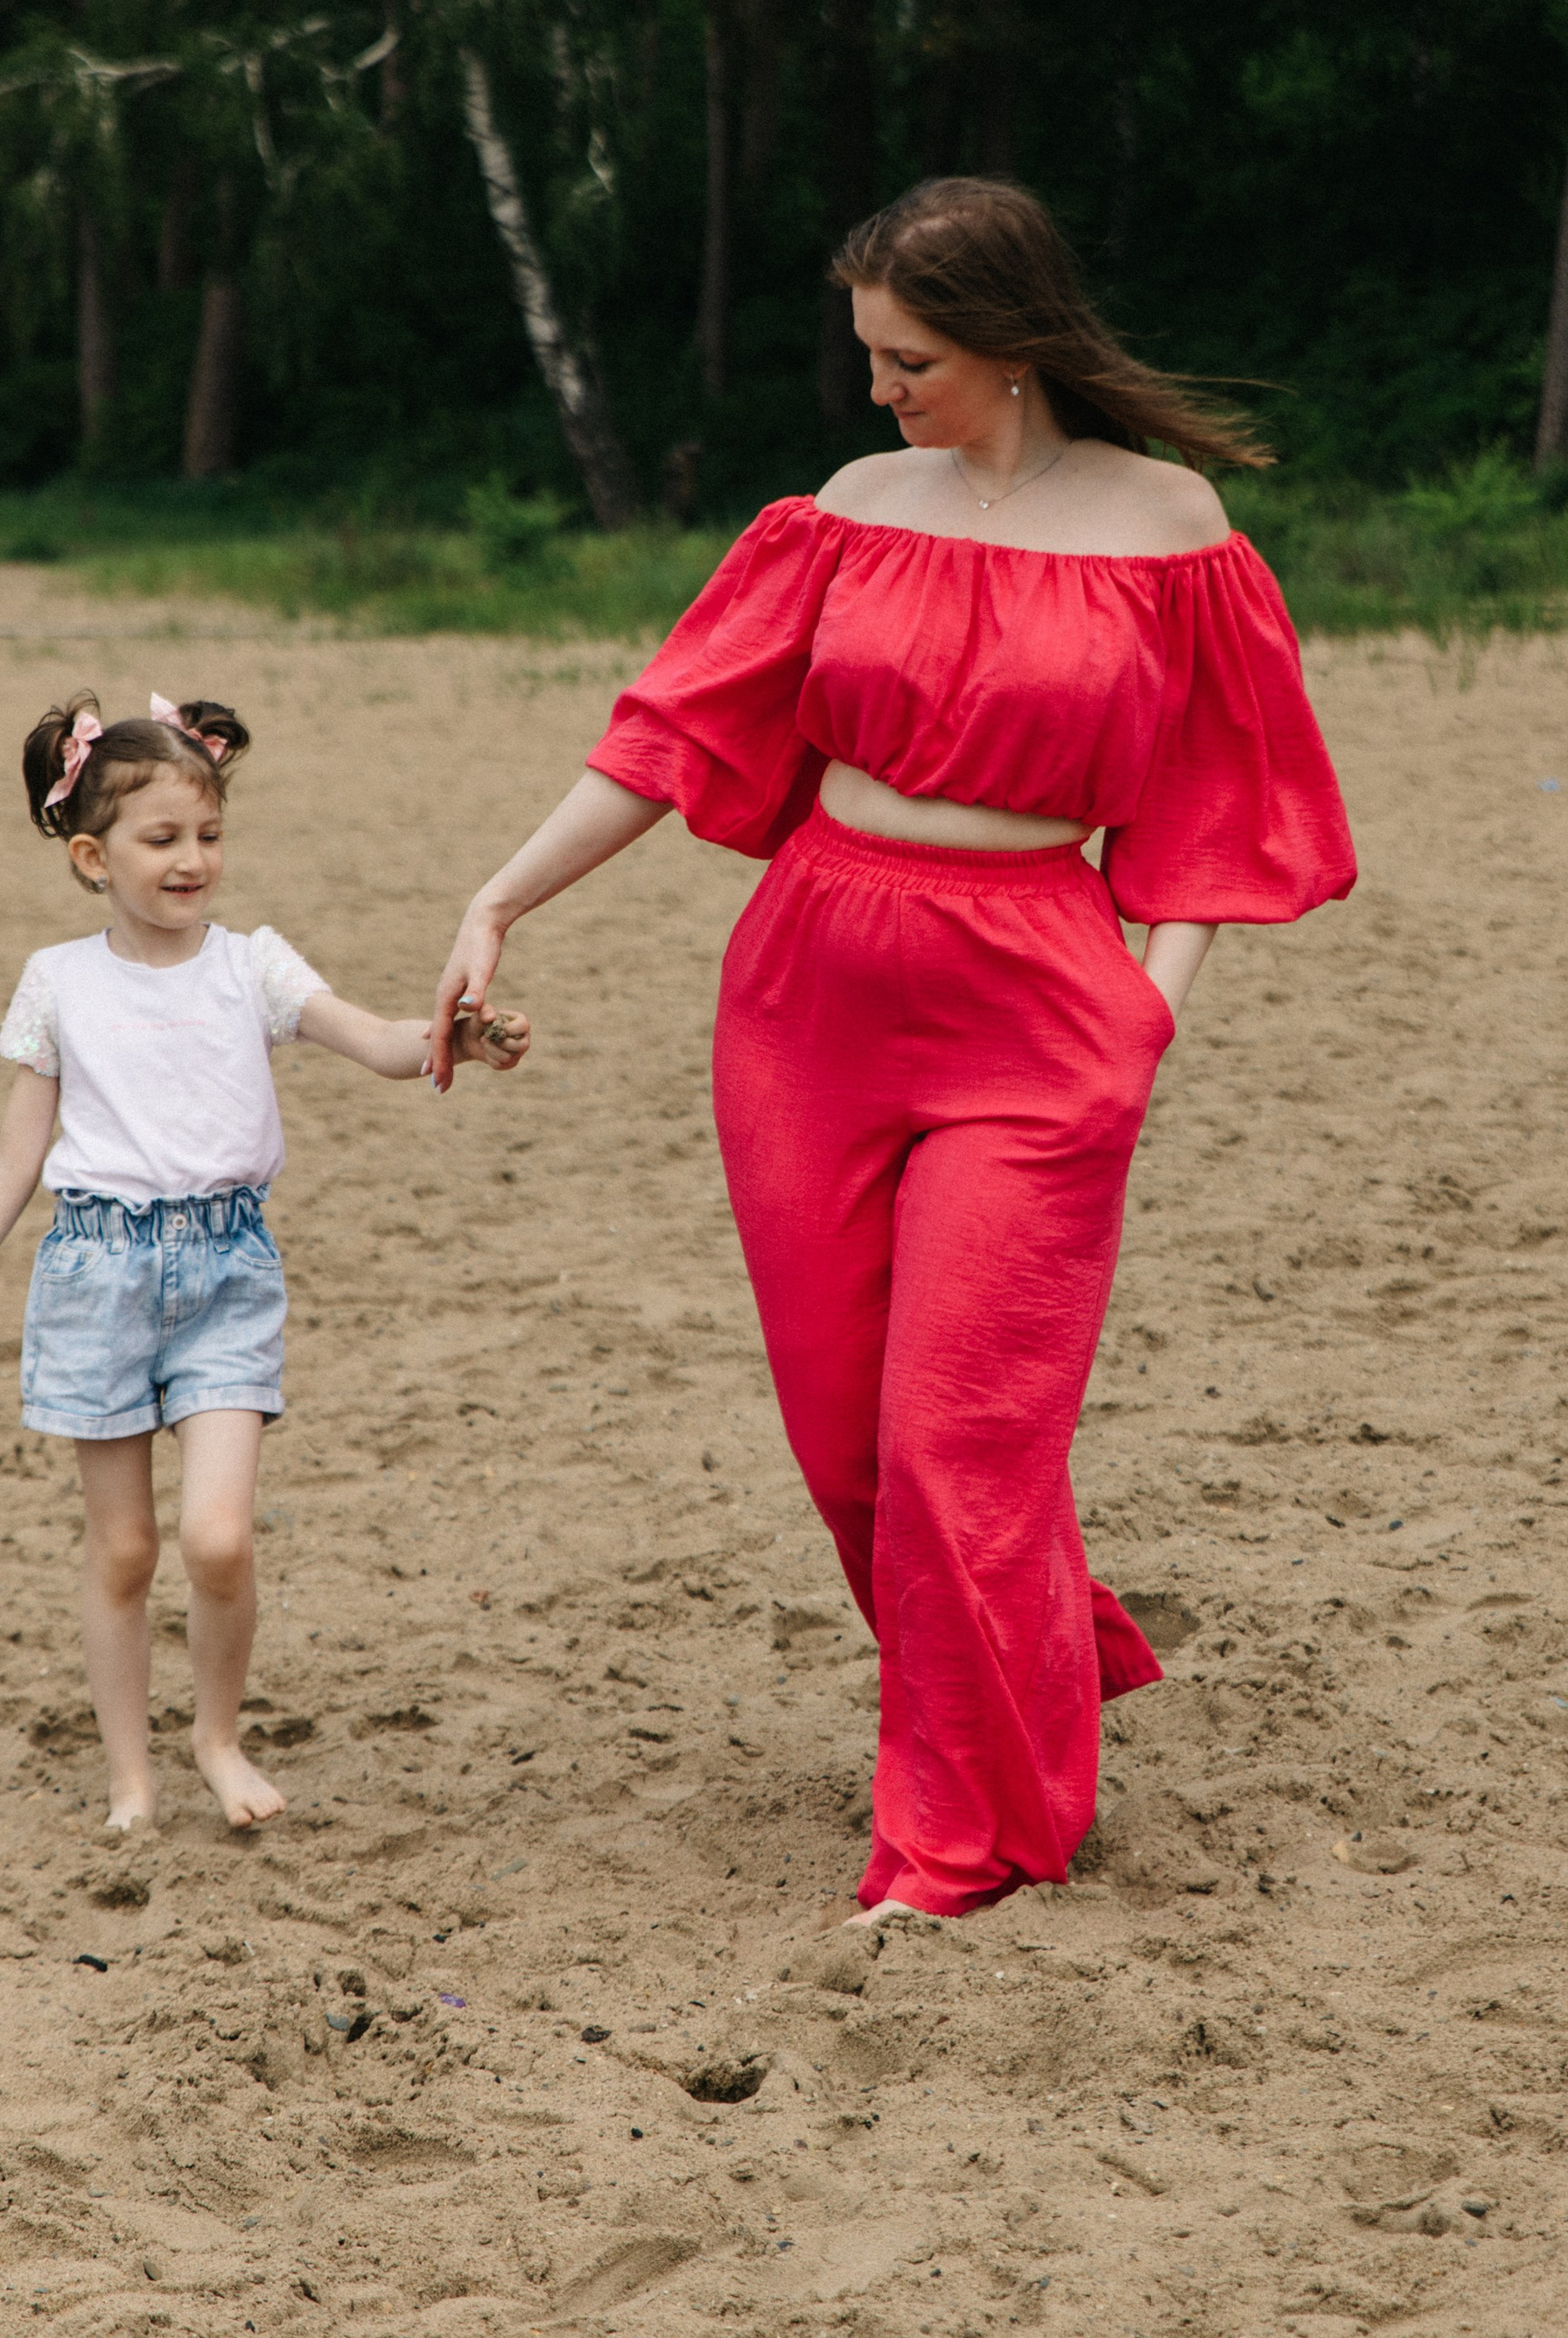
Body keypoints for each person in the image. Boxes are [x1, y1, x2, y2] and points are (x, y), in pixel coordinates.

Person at [430, 178, 1354, 1922]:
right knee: (852, 1448)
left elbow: (1219, 798)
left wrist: (1151, 1007)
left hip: (1043, 1006)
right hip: (811, 998)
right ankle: (1033, 1668)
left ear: (1011, 347)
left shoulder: (1172, 531)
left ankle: (964, 1837)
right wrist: (501, 897)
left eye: (907, 360)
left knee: (956, 1441)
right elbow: (671, 728)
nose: (876, 390)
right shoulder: (849, 510)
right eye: (866, 355)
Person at [0, 690, 529, 1836]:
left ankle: (217, 1737)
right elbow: (12, 1162)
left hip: (227, 1271)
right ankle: (130, 1778)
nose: (192, 860)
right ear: (93, 857)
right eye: (162, 838)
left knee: (217, 1537)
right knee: (124, 1548)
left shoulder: (251, 967)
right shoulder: (59, 983)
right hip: (96, 1277)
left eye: (210, 834)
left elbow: (375, 1039)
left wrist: (452, 1040)